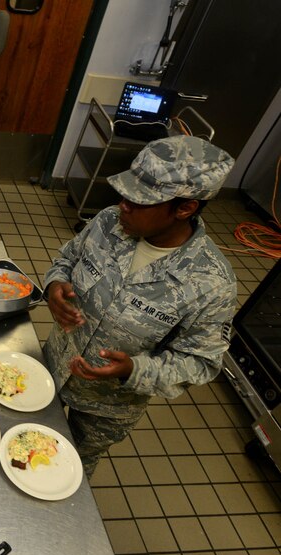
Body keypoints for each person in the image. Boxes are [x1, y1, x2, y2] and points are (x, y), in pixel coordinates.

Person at [43, 135, 237, 478]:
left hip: (106, 407)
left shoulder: (211, 283)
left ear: (185, 208)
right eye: (125, 194)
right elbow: (68, 257)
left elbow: (201, 363)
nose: (123, 206)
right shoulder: (107, 222)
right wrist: (54, 285)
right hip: (54, 362)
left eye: (140, 201)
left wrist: (134, 370)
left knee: (67, 472)